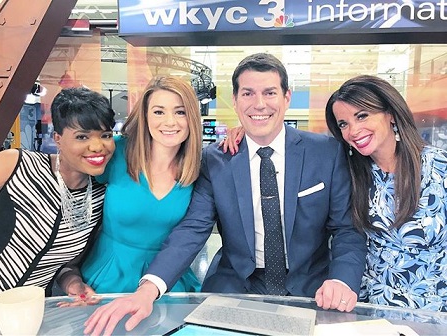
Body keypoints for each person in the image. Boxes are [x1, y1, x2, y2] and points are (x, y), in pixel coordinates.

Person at [84, 53, 367, 336]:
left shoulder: (326, 152)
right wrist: (148, 289)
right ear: (235, 100)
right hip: (233, 286)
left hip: (311, 288)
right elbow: (194, 228)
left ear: (287, 97)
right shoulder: (215, 159)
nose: (259, 104)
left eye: (269, 92)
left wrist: (341, 281)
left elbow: (346, 229)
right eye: (248, 93)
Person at [59, 76, 203, 297]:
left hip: (166, 279)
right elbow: (68, 169)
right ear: (145, 115)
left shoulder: (199, 169)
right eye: (158, 111)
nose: (170, 122)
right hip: (106, 274)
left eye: (180, 112)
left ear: (191, 117)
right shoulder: (116, 152)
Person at [325, 75, 447, 312]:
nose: (353, 130)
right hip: (367, 312)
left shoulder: (439, 168)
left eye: (362, 116)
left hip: (433, 314)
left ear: (390, 113)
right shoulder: (350, 173)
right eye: (343, 124)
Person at [0, 87, 115, 296]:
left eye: (105, 135)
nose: (98, 146)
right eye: (82, 137)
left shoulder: (99, 197)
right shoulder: (17, 165)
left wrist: (75, 285)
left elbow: (66, 265)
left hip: (30, 313)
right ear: (58, 138)